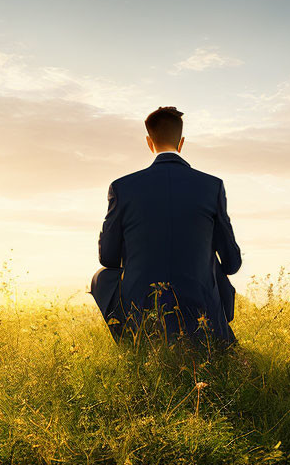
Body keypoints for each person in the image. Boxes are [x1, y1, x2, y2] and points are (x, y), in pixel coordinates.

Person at [90, 106, 241, 346]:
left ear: (149, 142)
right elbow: (232, 264)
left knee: (102, 277)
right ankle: (214, 334)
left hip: (142, 305)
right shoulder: (212, 186)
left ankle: (134, 339)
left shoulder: (122, 187)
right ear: (181, 143)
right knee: (214, 265)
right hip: (201, 302)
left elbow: (108, 259)